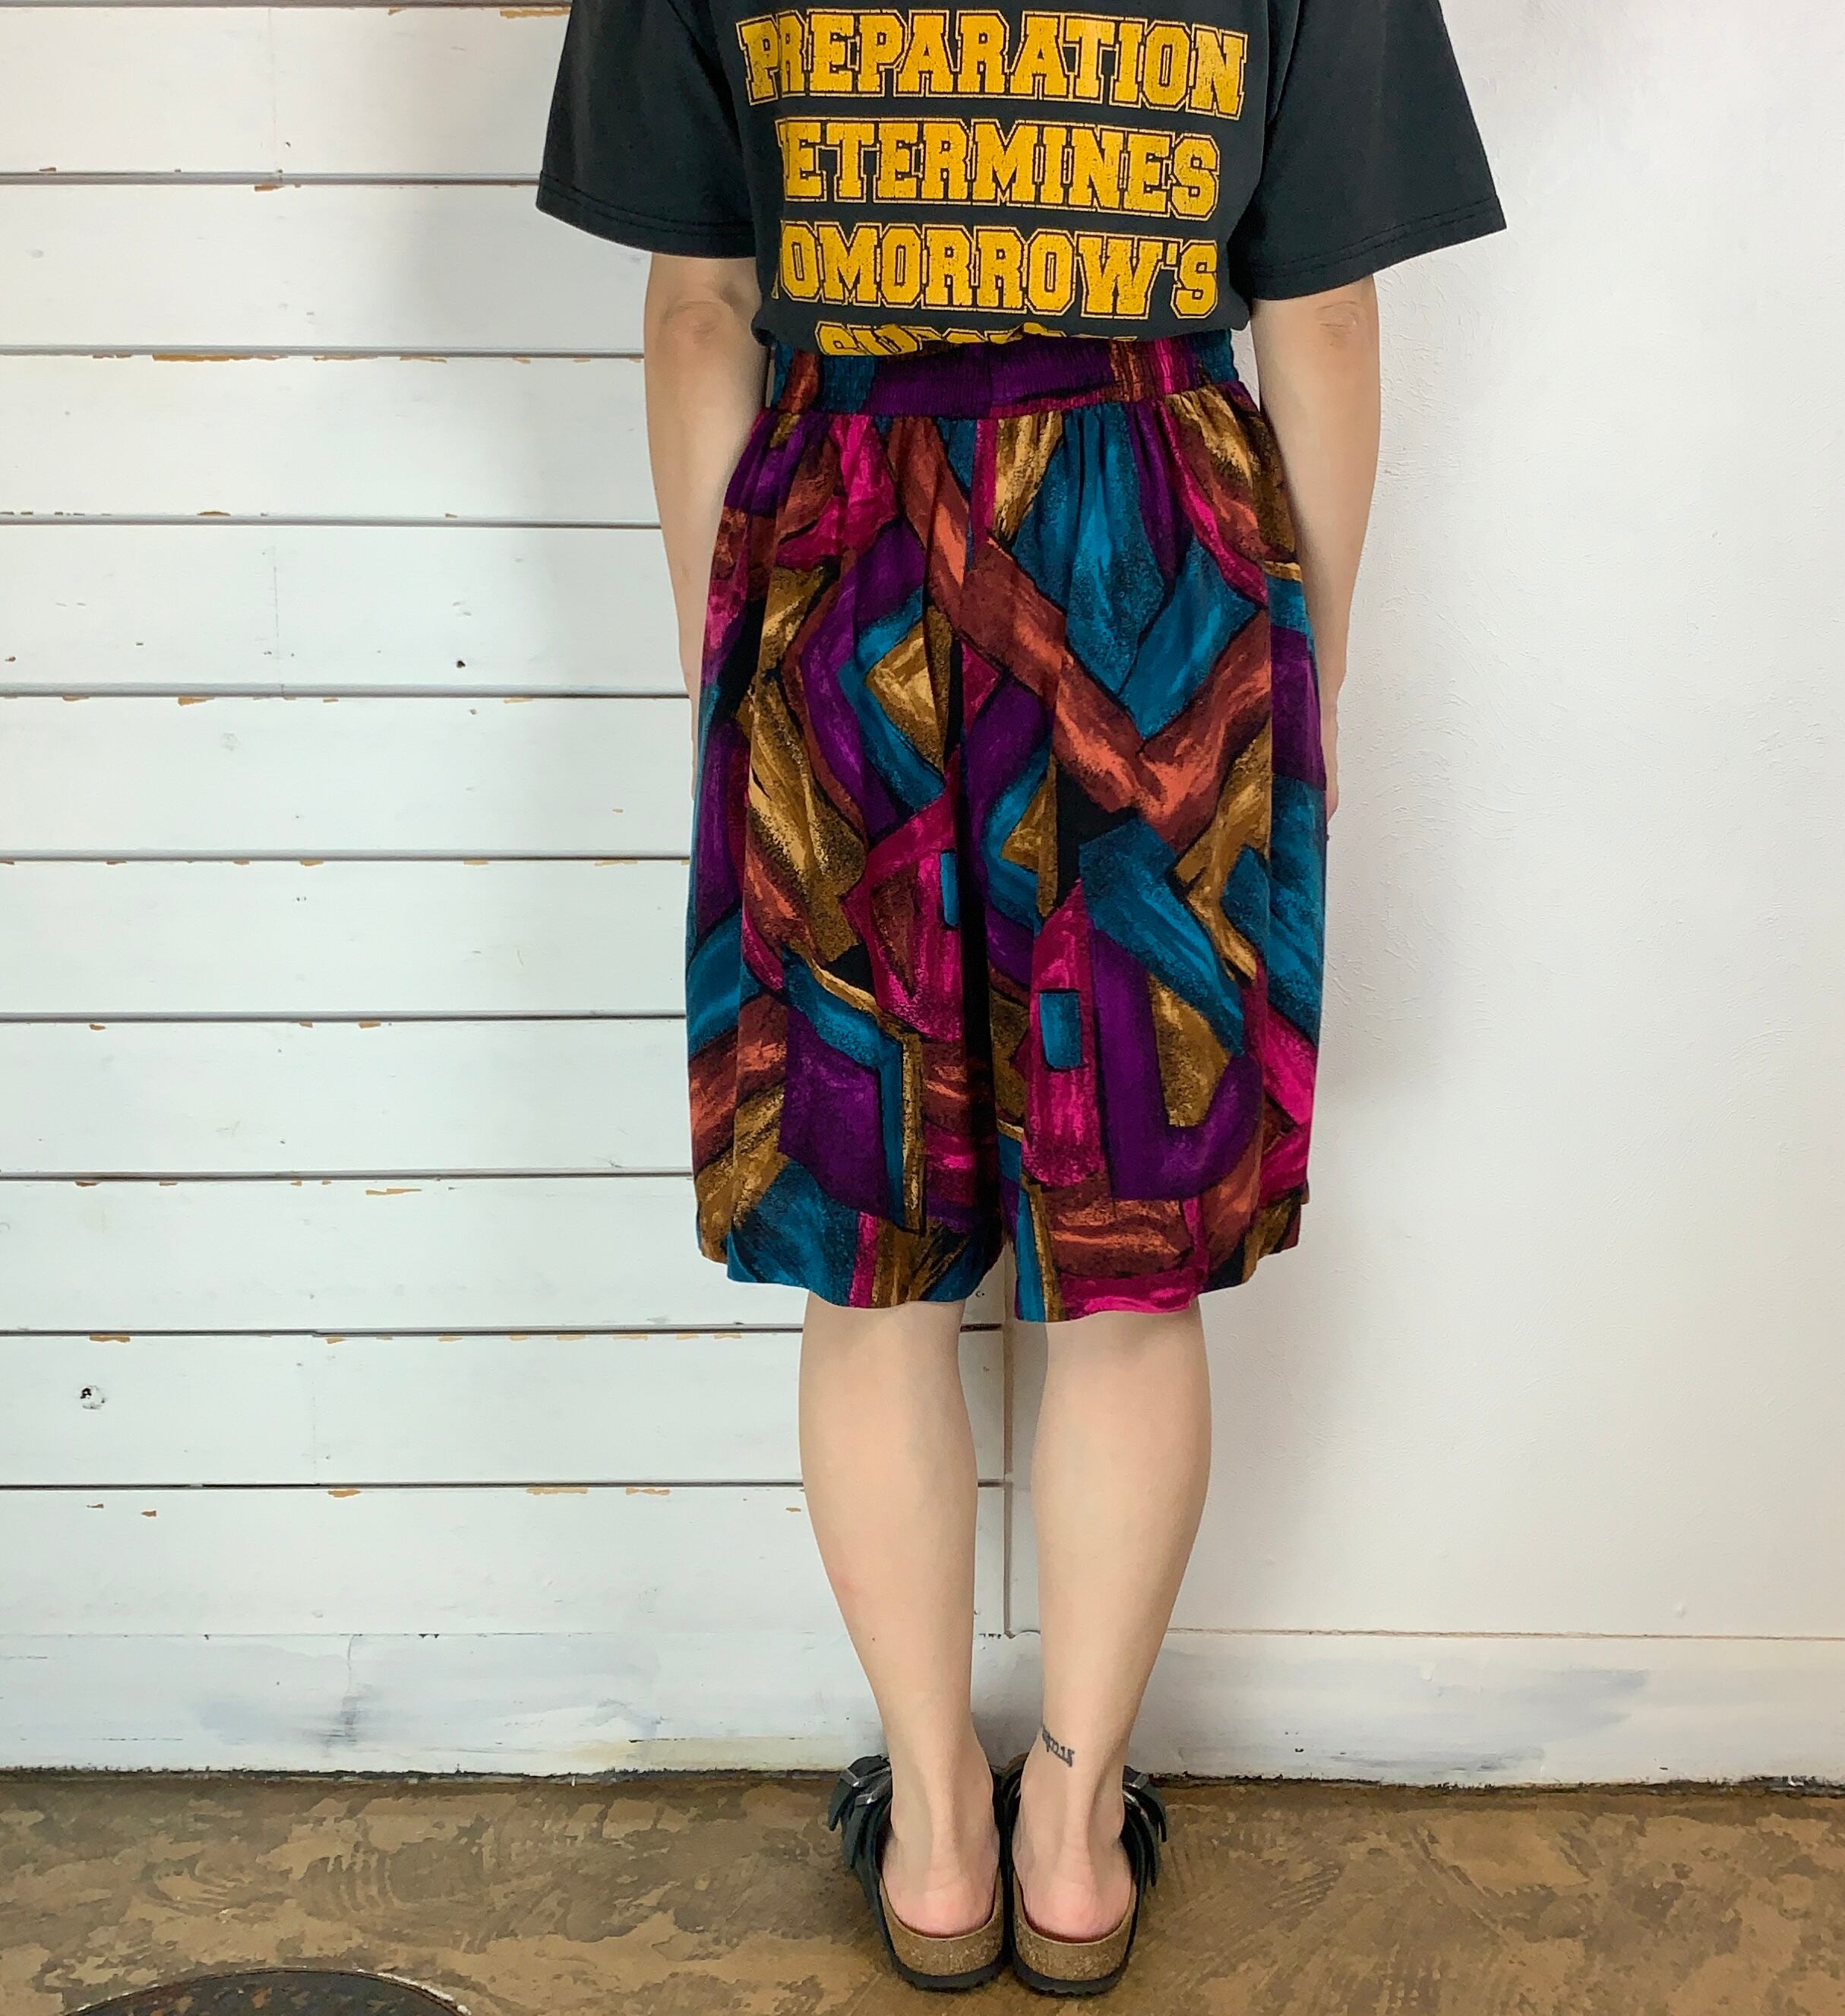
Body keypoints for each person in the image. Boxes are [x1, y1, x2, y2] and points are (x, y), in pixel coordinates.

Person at [536, 0, 1502, 1992]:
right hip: (1158, 576)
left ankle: (936, 1835)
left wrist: (737, 673)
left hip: (840, 564)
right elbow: (1323, 320)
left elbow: (699, 316)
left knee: (871, 1268)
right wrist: (1302, 675)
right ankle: (1073, 1840)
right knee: (1127, 1270)